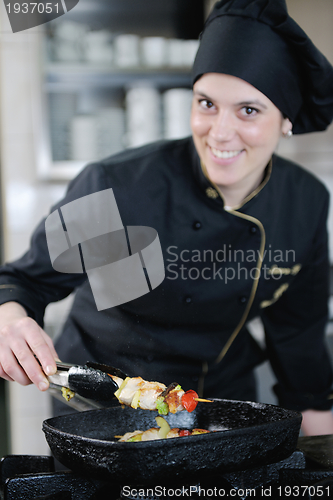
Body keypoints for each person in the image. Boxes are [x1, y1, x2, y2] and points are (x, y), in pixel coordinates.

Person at [1, 0, 333, 436]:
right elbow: (28, 281)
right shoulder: (117, 187)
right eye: (207, 103)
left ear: (286, 120)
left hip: (217, 405)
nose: (220, 132)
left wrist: (321, 451)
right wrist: (9, 319)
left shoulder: (303, 200)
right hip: (104, 405)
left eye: (248, 110)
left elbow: (298, 333)